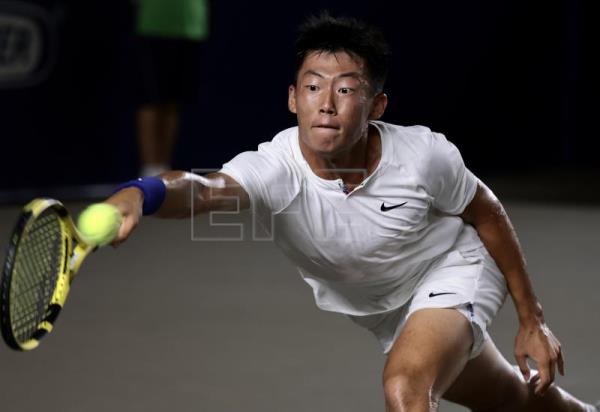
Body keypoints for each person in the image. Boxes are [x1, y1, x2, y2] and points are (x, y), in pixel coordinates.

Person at [108, 14, 597, 412]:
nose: (326, 105)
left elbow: (487, 211)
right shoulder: (275, 168)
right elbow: (203, 189)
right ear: (292, 99)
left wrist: (530, 319)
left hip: (453, 268)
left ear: (375, 105)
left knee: (405, 387)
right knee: (511, 399)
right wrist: (143, 193)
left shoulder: (423, 156)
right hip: (386, 311)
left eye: (345, 90)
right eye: (313, 87)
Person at [134, 0, 209, 176]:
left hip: (190, 26)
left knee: (174, 102)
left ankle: (162, 169)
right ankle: (149, 170)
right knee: (150, 99)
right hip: (154, 25)